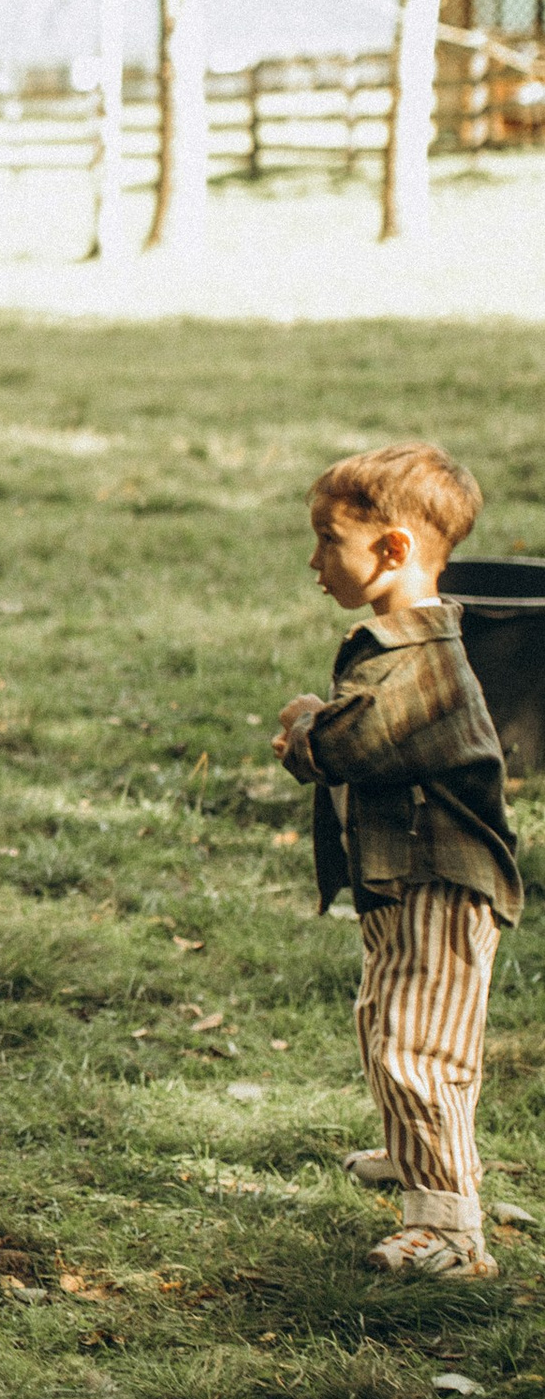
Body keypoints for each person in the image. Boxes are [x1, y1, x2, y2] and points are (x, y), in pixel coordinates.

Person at [273, 444, 521, 1279]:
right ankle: (413, 1152)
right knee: (387, 1020)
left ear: (393, 550)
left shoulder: (420, 656)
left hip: (442, 881)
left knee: (422, 1045)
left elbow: (357, 741)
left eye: (328, 540)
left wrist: (308, 726)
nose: (314, 559)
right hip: (402, 876)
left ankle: (451, 1226)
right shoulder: (397, 639)